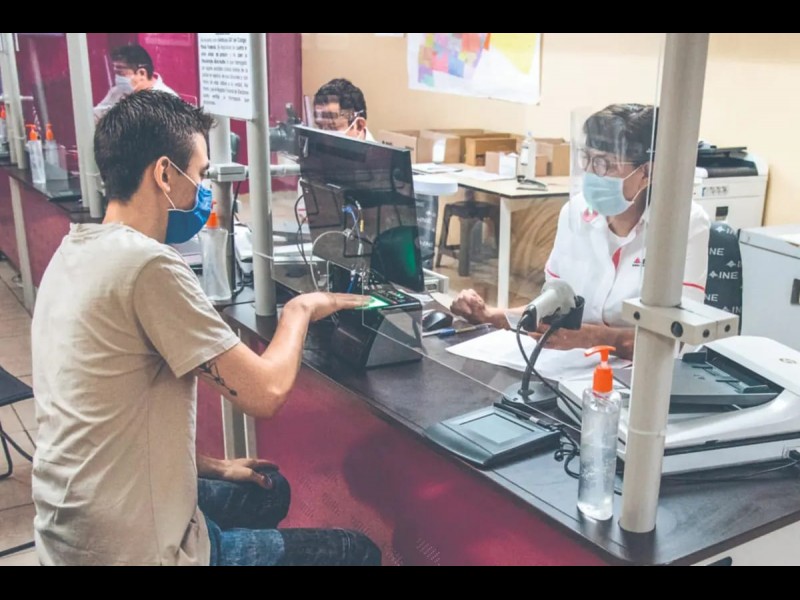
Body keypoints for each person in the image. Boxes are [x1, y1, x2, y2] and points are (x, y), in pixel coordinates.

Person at [31, 90, 381, 567]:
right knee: (356, 552)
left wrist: (211, 466)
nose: (201, 190)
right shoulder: (148, 267)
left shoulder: (76, 250)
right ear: (164, 174)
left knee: (269, 490)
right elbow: (266, 392)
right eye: (198, 175)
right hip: (131, 549)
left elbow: (103, 416)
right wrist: (300, 309)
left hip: (74, 524)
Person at [450, 104, 710, 360]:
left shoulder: (683, 225)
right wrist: (490, 316)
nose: (591, 173)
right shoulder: (575, 212)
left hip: (643, 375)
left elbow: (676, 339)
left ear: (647, 172)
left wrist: (589, 338)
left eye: (605, 163)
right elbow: (555, 306)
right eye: (587, 158)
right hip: (575, 365)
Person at [93, 44, 178, 122]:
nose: (117, 78)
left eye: (121, 74)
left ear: (142, 73)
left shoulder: (168, 102)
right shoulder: (117, 91)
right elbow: (95, 116)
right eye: (116, 74)